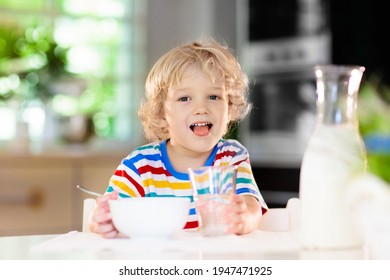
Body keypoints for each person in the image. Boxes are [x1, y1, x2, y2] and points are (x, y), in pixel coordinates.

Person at [89, 37, 268, 238]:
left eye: (214, 97)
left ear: (230, 108)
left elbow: (251, 206)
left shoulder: (231, 158)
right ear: (161, 114)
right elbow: (114, 213)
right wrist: (105, 221)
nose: (201, 108)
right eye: (184, 98)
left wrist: (243, 218)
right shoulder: (140, 165)